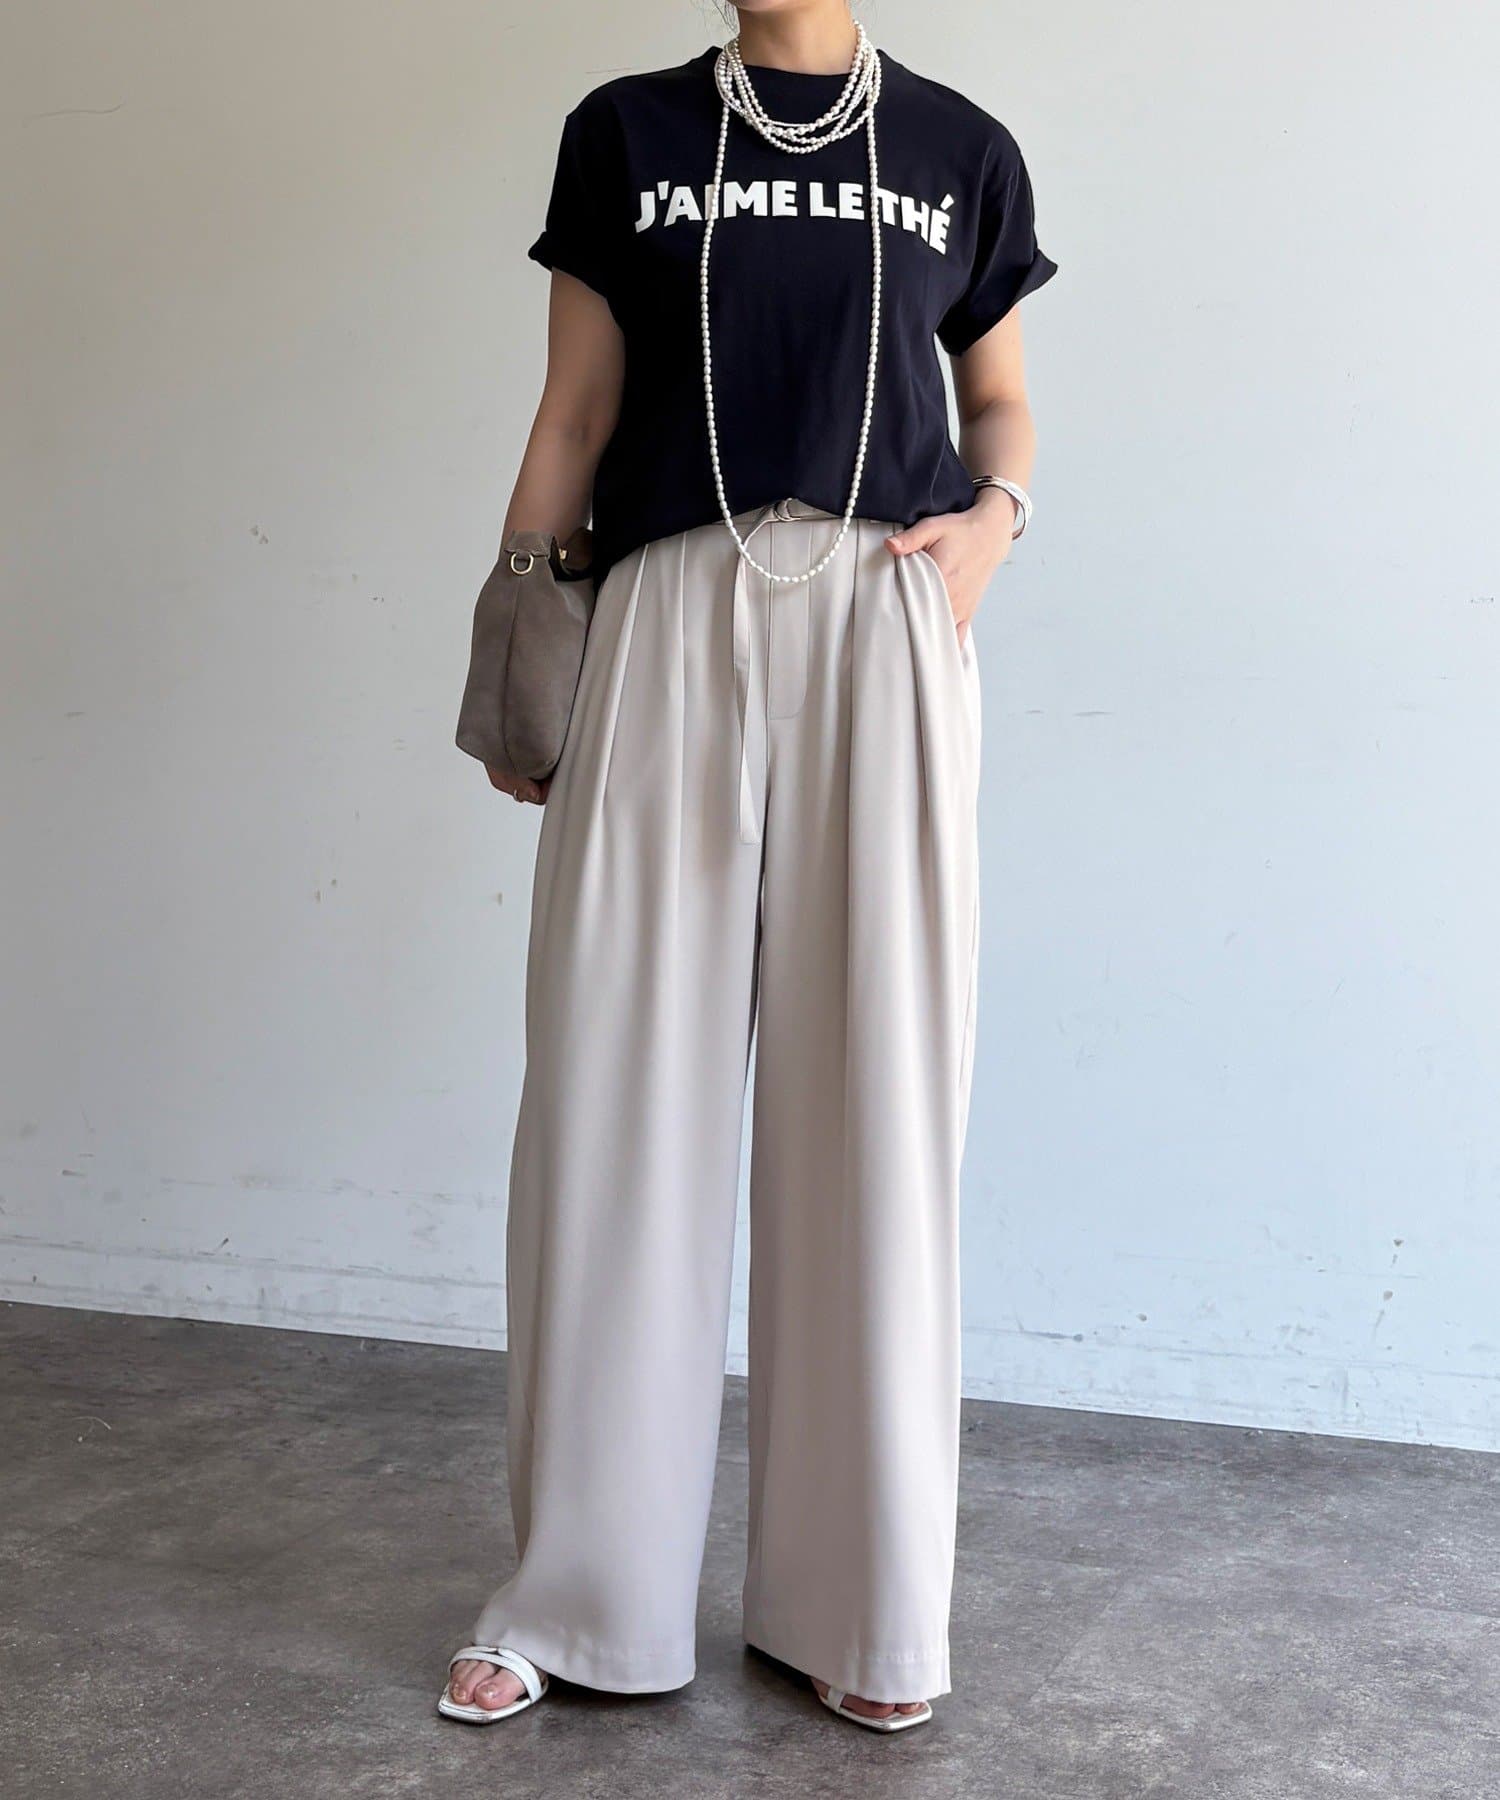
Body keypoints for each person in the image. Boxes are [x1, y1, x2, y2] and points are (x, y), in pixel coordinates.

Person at [440, 0, 1055, 1735]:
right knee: (614, 1091)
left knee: (880, 1104)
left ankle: (864, 1612)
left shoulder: (959, 147)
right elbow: (575, 411)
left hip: (887, 612)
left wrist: (997, 525)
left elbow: (1000, 398)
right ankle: (578, 1600)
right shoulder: (627, 130)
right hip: (662, 602)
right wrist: (518, 653)